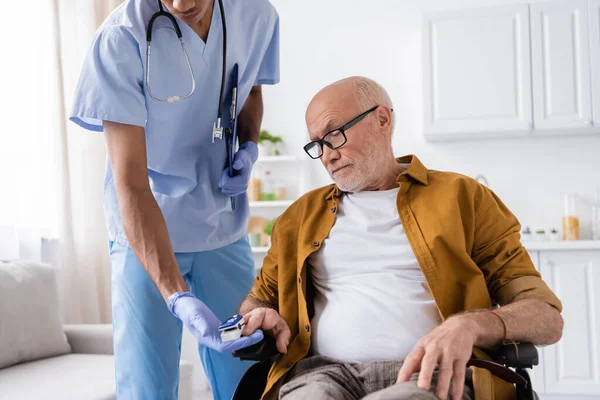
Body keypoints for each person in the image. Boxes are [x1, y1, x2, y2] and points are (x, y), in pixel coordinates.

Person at [239, 76, 564, 400]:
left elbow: (546, 318)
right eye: (317, 144)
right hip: (324, 375)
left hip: (433, 373)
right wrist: (256, 315)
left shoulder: (464, 197)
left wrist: (473, 325)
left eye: (335, 135)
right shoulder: (298, 217)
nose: (327, 156)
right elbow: (258, 301)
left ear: (382, 119)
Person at [69, 0, 280, 398]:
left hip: (221, 224)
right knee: (148, 389)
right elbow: (130, 183)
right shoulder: (121, 39)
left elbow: (250, 87)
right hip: (146, 228)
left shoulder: (256, 15)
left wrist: (248, 147)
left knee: (250, 380)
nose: (182, 4)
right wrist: (176, 294)